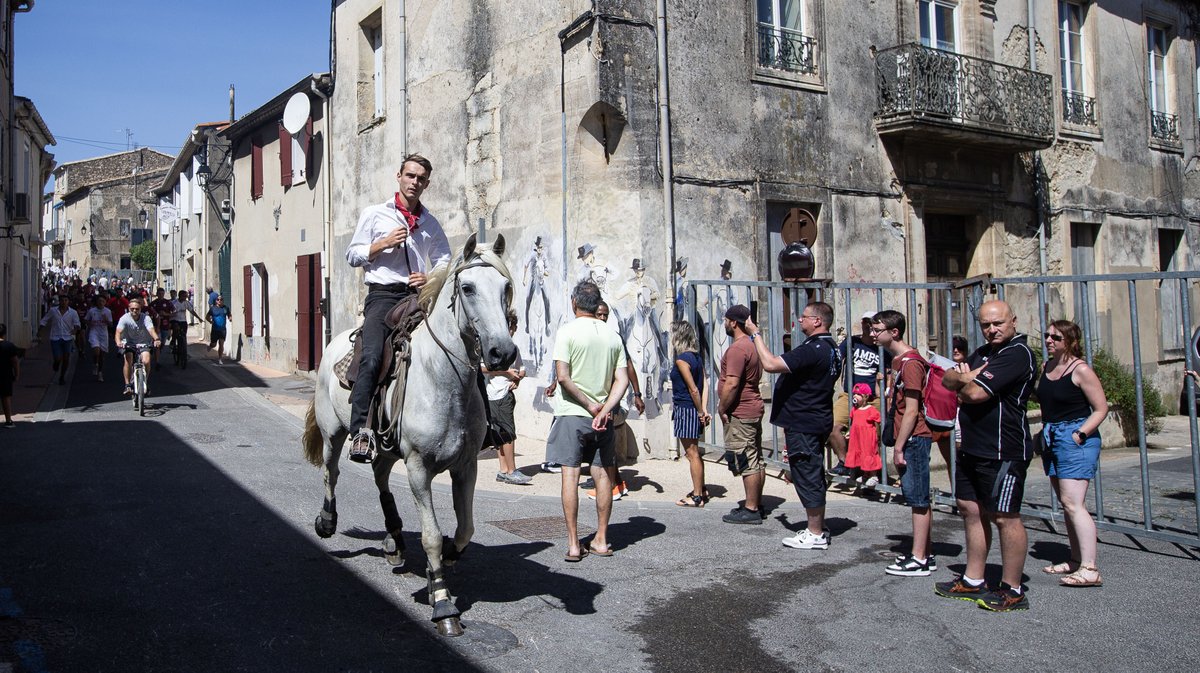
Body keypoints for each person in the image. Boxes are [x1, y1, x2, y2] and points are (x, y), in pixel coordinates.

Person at [345, 153, 451, 463]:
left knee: (451, 344)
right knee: (373, 355)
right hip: (382, 296)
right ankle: (360, 431)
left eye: (421, 178)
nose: (415, 182)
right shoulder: (376, 214)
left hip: (417, 296)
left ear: (426, 184)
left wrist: (431, 276)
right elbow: (353, 255)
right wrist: (382, 244)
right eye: (410, 175)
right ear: (399, 176)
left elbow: (445, 258)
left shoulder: (430, 223)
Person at [936, 300, 1035, 612]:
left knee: (1005, 516)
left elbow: (975, 394)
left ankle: (1012, 589)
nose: (992, 330)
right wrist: (965, 378)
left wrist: (966, 381)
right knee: (970, 509)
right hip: (972, 447)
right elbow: (946, 380)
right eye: (986, 325)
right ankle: (973, 578)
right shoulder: (983, 353)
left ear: (1013, 321)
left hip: (1003, 449)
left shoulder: (1017, 353)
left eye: (998, 323)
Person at [745, 302, 843, 549]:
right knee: (810, 472)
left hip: (805, 421)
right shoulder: (831, 348)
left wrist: (755, 334)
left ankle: (815, 532)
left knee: (808, 474)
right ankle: (817, 525)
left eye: (805, 317)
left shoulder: (815, 349)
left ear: (818, 321)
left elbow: (770, 364)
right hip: (814, 419)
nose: (800, 321)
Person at [546, 281, 628, 561]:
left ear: (573, 302)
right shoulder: (613, 335)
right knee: (604, 475)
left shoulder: (566, 332)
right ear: (598, 305)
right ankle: (601, 540)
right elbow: (623, 379)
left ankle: (572, 544)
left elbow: (563, 376)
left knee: (570, 474)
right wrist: (605, 408)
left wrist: (589, 404)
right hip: (603, 419)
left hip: (572, 414)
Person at [547, 299, 642, 497]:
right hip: (586, 408)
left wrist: (637, 394)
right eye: (599, 314)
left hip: (604, 405)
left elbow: (626, 369)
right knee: (593, 465)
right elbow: (565, 371)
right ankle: (608, 483)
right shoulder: (582, 334)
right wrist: (556, 383)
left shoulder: (611, 338)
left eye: (605, 315)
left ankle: (614, 485)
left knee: (601, 464)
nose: (602, 318)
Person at [1037, 320, 1107, 587]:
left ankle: (1090, 568)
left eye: (1055, 336)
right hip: (1052, 435)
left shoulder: (1081, 370)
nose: (1049, 340)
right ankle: (1076, 560)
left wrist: (1080, 434)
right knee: (1067, 504)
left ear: (1070, 340)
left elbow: (1100, 408)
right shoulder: (1048, 367)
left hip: (1075, 437)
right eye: (1047, 335)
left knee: (1074, 502)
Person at [872, 310, 938, 577]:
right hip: (906, 438)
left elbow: (912, 409)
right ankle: (924, 553)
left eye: (878, 330)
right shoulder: (898, 361)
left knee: (918, 499)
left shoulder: (911, 363)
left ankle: (919, 558)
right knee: (915, 497)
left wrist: (899, 447)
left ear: (894, 332)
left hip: (914, 439)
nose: (874, 334)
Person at [718, 304, 766, 525]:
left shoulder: (738, 349)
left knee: (746, 460)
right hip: (752, 408)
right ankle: (754, 502)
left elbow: (732, 383)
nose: (725, 324)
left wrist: (722, 407)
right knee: (756, 458)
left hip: (741, 411)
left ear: (733, 322)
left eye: (726, 320)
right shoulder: (753, 344)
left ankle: (751, 508)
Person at [829, 312, 891, 477]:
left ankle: (870, 475)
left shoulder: (883, 348)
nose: (868, 326)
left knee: (871, 437)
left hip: (873, 398)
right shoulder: (852, 342)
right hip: (850, 394)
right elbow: (835, 358)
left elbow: (893, 371)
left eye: (872, 323)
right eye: (865, 322)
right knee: (832, 426)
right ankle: (845, 463)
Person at [486, 311, 532, 485]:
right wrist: (505, 372)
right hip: (494, 394)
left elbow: (521, 369)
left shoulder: (513, 348)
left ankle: (506, 470)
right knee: (504, 433)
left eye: (510, 327)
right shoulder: (492, 347)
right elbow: (483, 367)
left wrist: (517, 379)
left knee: (504, 432)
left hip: (505, 394)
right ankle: (510, 470)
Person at [669, 320, 710, 508]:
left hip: (686, 409)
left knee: (691, 453)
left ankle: (697, 496)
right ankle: (701, 489)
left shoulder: (682, 360)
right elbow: (705, 385)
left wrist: (701, 411)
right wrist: (704, 409)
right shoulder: (697, 357)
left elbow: (694, 389)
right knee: (696, 452)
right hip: (694, 408)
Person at [932, 335, 969, 481]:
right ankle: (956, 495)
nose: (955, 350)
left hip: (964, 418)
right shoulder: (941, 368)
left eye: (959, 347)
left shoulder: (970, 366)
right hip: (946, 419)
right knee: (951, 462)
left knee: (964, 461)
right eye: (952, 347)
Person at [115, 299, 161, 395]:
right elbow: (118, 332)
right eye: (132, 309)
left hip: (144, 342)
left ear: (141, 309)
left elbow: (151, 330)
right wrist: (118, 342)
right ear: (129, 309)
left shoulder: (146, 318)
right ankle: (127, 385)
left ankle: (145, 382)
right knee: (128, 358)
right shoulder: (124, 318)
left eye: (137, 309)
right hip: (129, 343)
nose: (134, 311)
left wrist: (156, 339)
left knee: (146, 361)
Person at [844, 382, 881, 489]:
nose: (855, 396)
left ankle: (873, 475)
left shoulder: (871, 410)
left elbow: (877, 423)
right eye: (854, 394)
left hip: (868, 436)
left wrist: (877, 436)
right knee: (861, 454)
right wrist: (849, 432)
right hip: (857, 437)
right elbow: (853, 423)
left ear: (866, 396)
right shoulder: (854, 410)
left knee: (869, 453)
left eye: (859, 394)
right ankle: (865, 474)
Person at [39, 294, 81, 385]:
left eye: (66, 300)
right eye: (62, 300)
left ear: (68, 302)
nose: (64, 302)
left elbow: (77, 324)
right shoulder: (53, 311)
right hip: (55, 337)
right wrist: (40, 331)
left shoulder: (73, 312)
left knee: (66, 358)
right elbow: (44, 320)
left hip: (68, 337)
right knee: (57, 357)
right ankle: (56, 363)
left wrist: (75, 330)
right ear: (59, 301)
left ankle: (62, 376)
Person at [83, 295, 113, 381]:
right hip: (94, 332)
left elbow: (110, 324)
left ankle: (100, 372)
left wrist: (106, 319)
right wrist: (89, 323)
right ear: (96, 302)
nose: (101, 303)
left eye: (103, 301)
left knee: (102, 355)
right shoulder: (92, 311)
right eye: (99, 301)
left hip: (103, 334)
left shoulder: (107, 311)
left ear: (105, 302)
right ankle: (95, 363)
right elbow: (85, 320)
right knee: (96, 351)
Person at [0, 324, 21, 427]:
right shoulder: (9, 346)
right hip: (5, 375)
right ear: (4, 334)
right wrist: (17, 374)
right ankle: (8, 420)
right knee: (6, 397)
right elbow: (15, 362)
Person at [149, 288, 176, 366]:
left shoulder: (168, 303)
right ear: (157, 294)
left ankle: (158, 350)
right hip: (156, 326)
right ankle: (157, 361)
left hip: (165, 325)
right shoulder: (153, 303)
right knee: (157, 341)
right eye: (159, 293)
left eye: (162, 293)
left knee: (163, 342)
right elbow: (149, 314)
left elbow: (174, 312)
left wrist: (166, 314)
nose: (161, 295)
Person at [206, 295, 230, 365]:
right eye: (218, 299)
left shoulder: (226, 308)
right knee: (214, 344)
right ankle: (210, 346)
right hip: (215, 329)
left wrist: (230, 318)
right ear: (216, 301)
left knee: (221, 344)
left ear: (223, 300)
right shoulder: (213, 309)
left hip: (222, 330)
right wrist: (210, 321)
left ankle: (220, 359)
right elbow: (207, 317)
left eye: (221, 299)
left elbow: (229, 315)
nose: (219, 301)